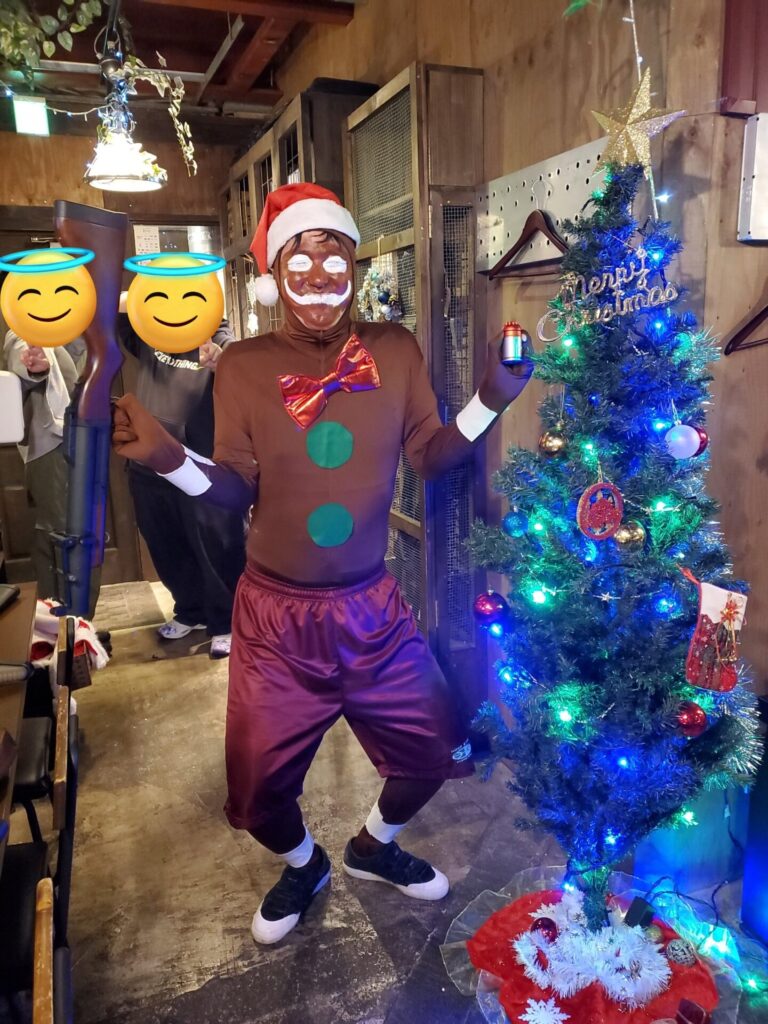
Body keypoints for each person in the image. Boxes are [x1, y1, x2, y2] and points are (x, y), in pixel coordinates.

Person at [111, 183, 533, 944]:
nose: (317, 272)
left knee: (437, 750)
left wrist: (490, 399)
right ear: (274, 275)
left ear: (355, 269)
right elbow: (233, 487)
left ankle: (372, 847)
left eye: (333, 255)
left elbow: (432, 457)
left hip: (372, 608)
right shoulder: (243, 365)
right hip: (275, 619)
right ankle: (305, 866)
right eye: (299, 258)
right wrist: (169, 458)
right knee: (257, 790)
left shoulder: (395, 349)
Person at [117, 300, 246, 660]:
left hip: (201, 466)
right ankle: (190, 611)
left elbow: (235, 355)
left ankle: (227, 622)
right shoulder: (151, 329)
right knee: (165, 545)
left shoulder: (214, 329)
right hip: (150, 464)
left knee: (217, 547)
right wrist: (138, 294)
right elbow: (122, 317)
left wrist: (221, 359)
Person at [3, 329, 97, 610]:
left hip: (82, 442)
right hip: (53, 450)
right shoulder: (25, 331)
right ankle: (66, 623)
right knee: (64, 536)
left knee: (79, 533)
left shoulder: (75, 328)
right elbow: (23, 359)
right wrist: (35, 369)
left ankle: (76, 622)